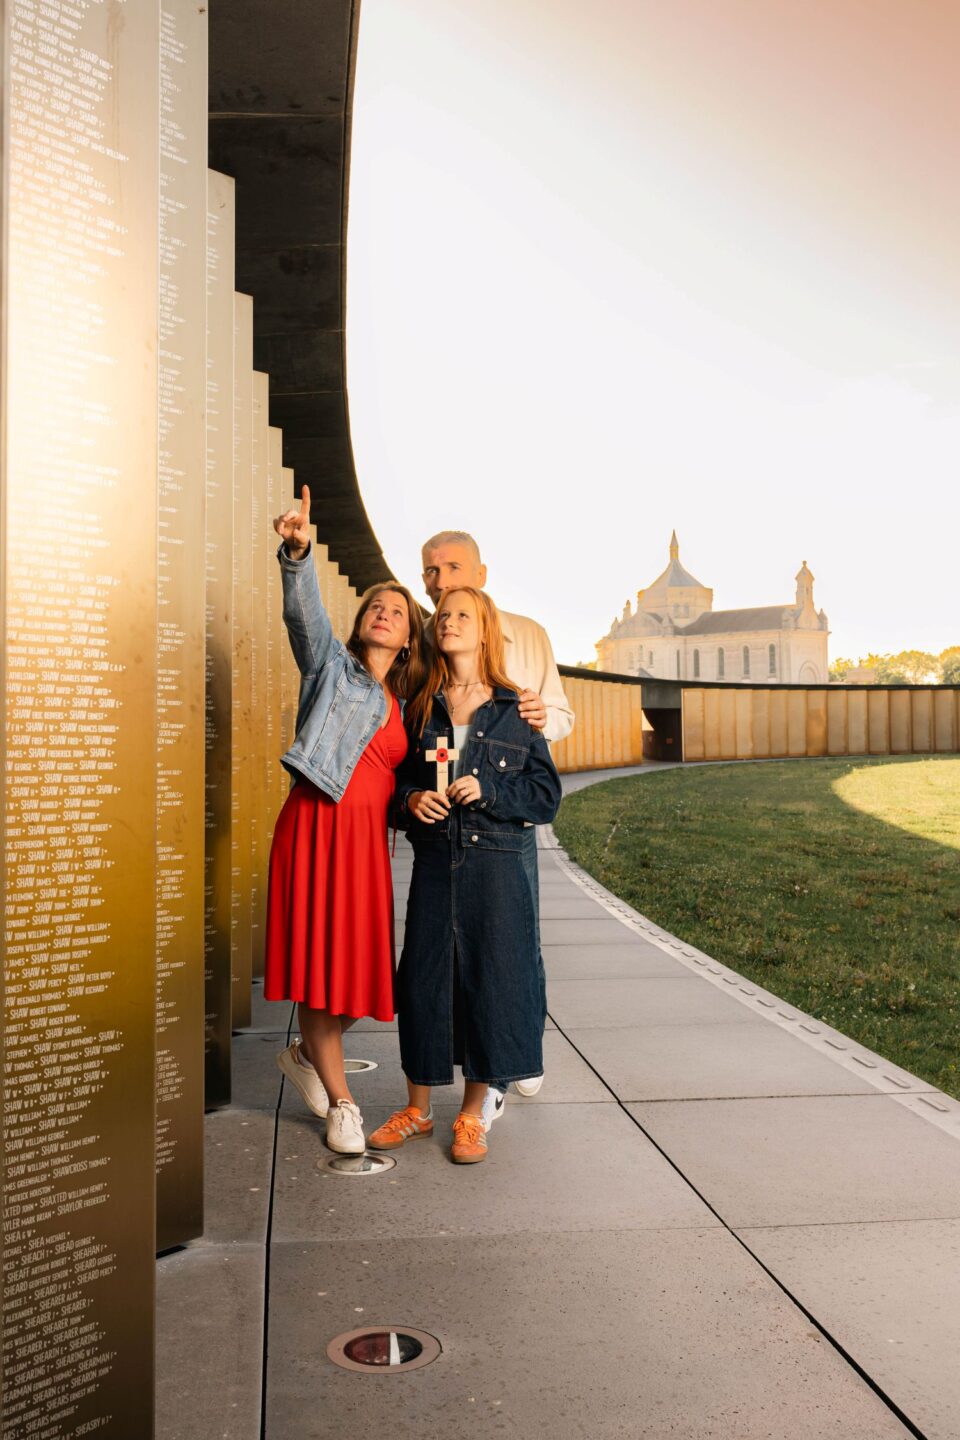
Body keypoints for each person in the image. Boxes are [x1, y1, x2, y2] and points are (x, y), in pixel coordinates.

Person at [368, 586, 562, 1164]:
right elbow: (394, 784)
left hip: (497, 866)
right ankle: (418, 1109)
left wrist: (491, 789)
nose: (448, 622)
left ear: (484, 630)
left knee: (492, 979)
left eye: (462, 615)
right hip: (435, 863)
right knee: (424, 977)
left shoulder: (515, 707)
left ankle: (473, 1115)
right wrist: (409, 802)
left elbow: (546, 795)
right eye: (443, 615)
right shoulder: (418, 707)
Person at [264, 485, 426, 1154]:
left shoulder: (409, 704)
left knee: (361, 979)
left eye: (397, 612)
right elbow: (305, 620)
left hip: (364, 847)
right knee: (317, 970)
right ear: (361, 622)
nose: (384, 614)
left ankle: (306, 1053)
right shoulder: (333, 667)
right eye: (376, 607)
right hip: (315, 827)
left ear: (411, 637)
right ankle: (343, 1104)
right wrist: (297, 553)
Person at [419, 530, 573, 1125]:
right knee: (448, 951)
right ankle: (475, 1072)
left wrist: (535, 717)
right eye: (430, 572)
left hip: (502, 814)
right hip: (445, 828)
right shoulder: (431, 640)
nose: (441, 580)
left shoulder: (528, 635)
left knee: (513, 942)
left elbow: (556, 713)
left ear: (482, 572)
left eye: (453, 567)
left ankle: (510, 1057)